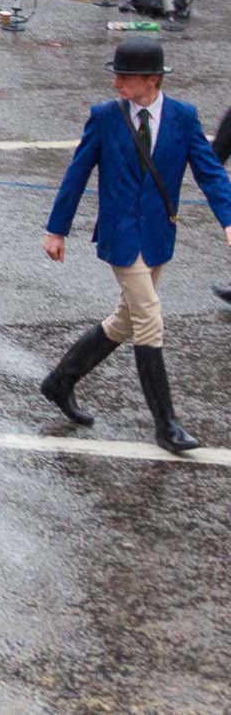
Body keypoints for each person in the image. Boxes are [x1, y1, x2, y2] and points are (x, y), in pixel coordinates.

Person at [40, 38, 231, 453]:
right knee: (149, 318)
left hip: (159, 232)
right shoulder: (105, 118)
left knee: (124, 321)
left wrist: (228, 219)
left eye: (125, 76)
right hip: (121, 235)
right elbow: (77, 174)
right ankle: (167, 425)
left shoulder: (182, 117)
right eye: (116, 74)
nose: (117, 82)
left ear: (152, 79)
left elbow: (210, 171)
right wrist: (57, 230)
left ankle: (60, 381)